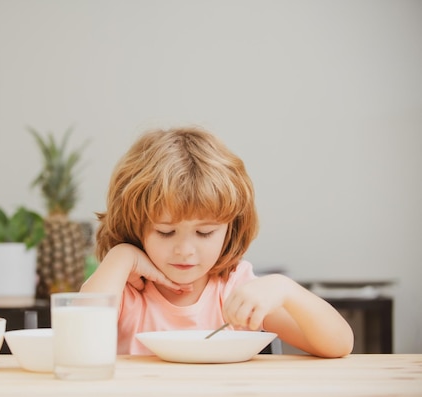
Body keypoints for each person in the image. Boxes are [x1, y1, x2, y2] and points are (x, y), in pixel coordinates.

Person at [81, 126, 354, 358]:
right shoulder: (125, 290)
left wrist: (286, 289)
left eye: (205, 233)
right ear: (134, 225)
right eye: (165, 232)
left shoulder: (235, 287)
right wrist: (121, 257)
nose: (185, 251)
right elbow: (79, 342)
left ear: (230, 228)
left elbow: (339, 345)